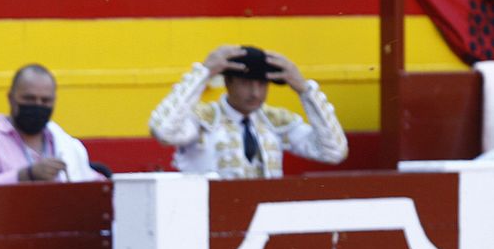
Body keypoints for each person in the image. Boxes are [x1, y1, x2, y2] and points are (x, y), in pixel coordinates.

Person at [148, 44, 348, 180]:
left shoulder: (276, 122)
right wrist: (203, 72)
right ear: (227, 82)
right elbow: (163, 130)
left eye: (262, 84)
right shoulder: (203, 120)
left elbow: (334, 152)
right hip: (203, 219)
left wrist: (305, 90)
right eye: (245, 83)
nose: (255, 93)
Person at [0, 64, 104, 185]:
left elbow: (89, 181)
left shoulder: (62, 140)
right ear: (11, 98)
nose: (38, 105)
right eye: (29, 99)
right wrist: (26, 175)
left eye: (45, 101)